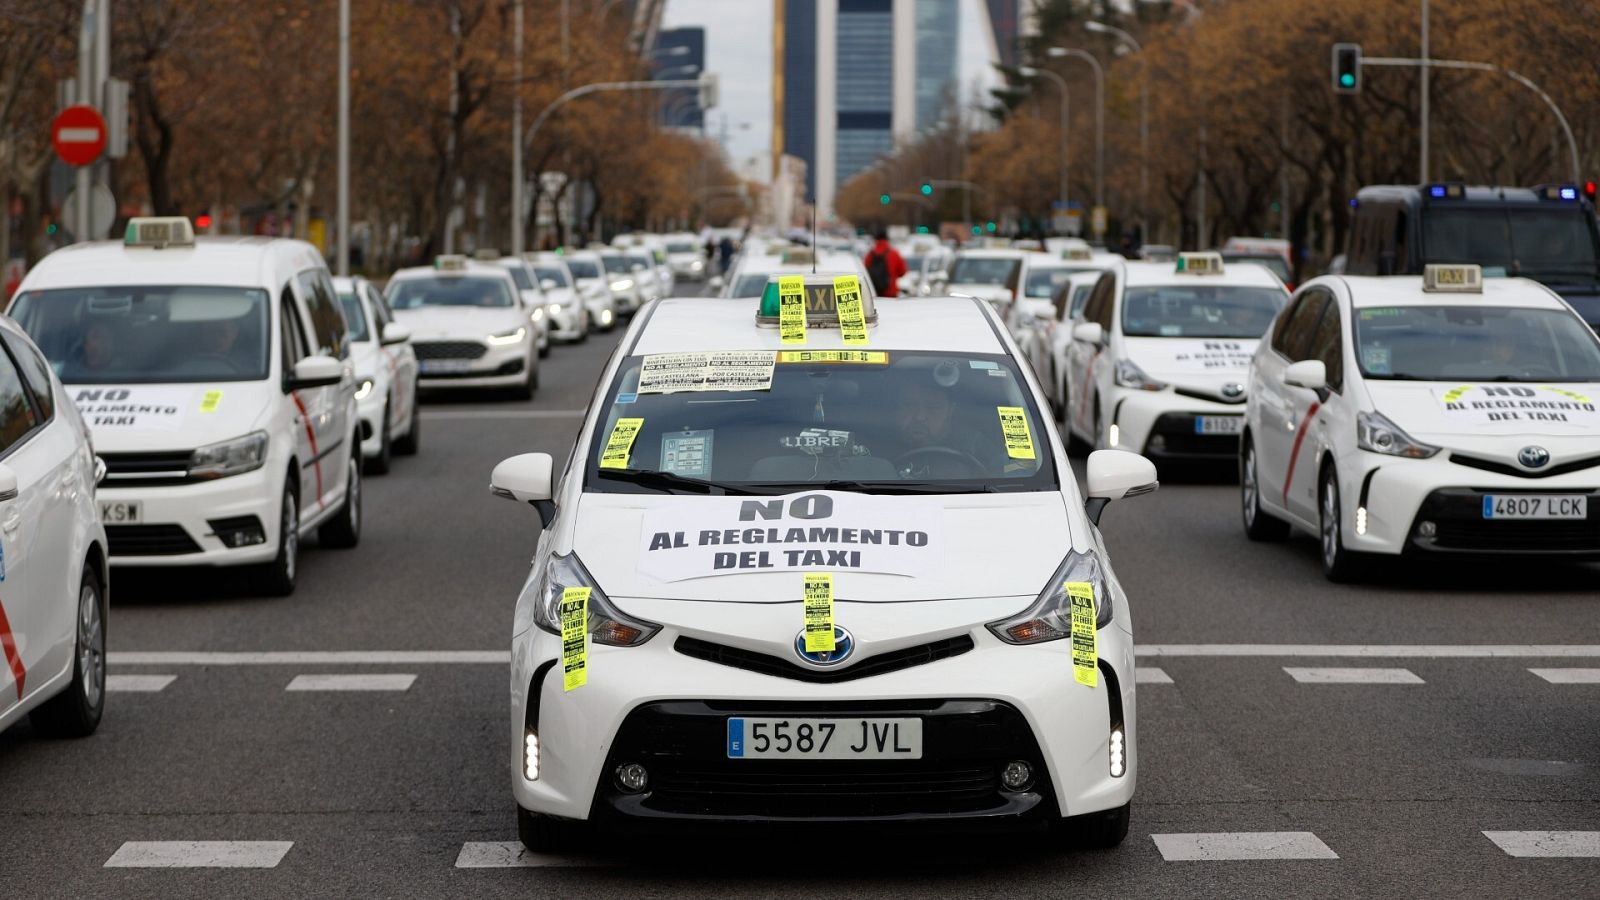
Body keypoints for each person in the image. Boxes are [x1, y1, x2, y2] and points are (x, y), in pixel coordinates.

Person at [864, 229, 907, 297]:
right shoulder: (894, 253)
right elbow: (902, 272)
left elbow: (864, 272)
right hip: (891, 292)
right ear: (887, 239)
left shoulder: (870, 255)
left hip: (874, 292)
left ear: (876, 240)